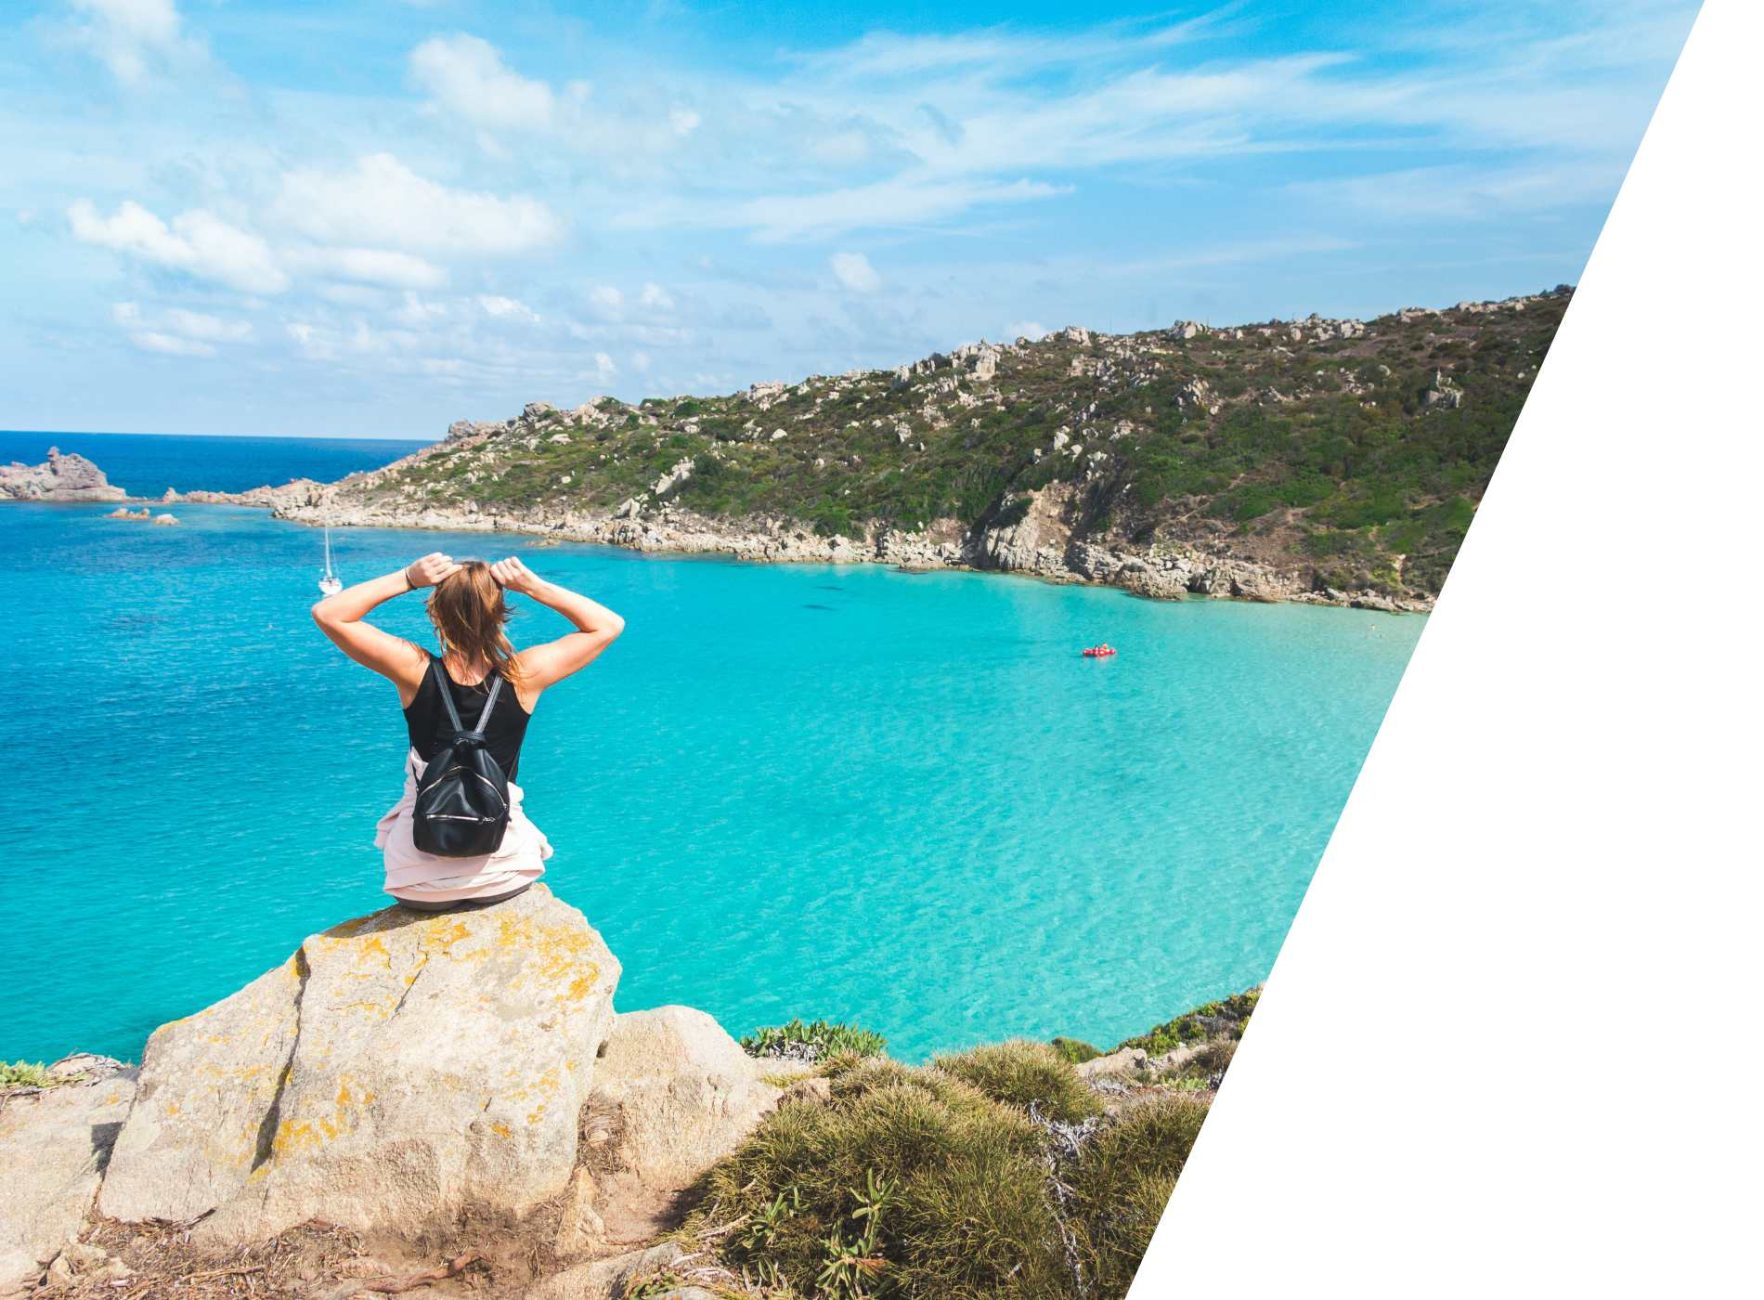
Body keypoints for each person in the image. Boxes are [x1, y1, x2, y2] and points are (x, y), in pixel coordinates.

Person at [311, 551, 624, 912]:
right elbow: (607, 624)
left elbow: (328, 613)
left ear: (435, 614)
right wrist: (533, 586)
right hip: (504, 871)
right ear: (500, 616)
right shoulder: (524, 676)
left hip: (418, 881)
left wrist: (408, 577)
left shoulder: (413, 670)